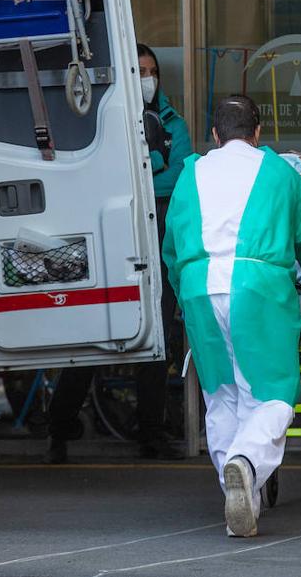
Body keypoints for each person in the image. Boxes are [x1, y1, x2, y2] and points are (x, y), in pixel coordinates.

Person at [162, 95, 301, 537]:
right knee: (271, 396)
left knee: (222, 395)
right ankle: (245, 463)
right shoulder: (280, 175)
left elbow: (171, 251)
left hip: (198, 286)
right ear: (258, 133)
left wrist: (185, 303)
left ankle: (241, 503)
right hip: (258, 287)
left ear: (214, 135)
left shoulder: (191, 173)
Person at [45, 44, 192, 463]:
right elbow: (103, 175)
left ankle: (152, 433)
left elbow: (175, 181)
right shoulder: (103, 121)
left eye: (152, 70)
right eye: (139, 70)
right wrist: (151, 166)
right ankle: (59, 426)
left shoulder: (172, 123)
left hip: (159, 237)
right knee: (95, 335)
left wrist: (141, 169)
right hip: (112, 237)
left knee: (158, 338)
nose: (148, 78)